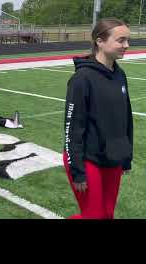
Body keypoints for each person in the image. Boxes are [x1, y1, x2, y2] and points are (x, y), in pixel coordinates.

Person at [64, 18, 133, 219]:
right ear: (100, 41)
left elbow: (125, 118)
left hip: (113, 157)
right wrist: (77, 170)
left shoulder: (120, 75)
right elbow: (72, 128)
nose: (126, 45)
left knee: (107, 214)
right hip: (86, 159)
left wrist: (125, 156)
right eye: (121, 40)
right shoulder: (82, 78)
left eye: (127, 40)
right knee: (94, 215)